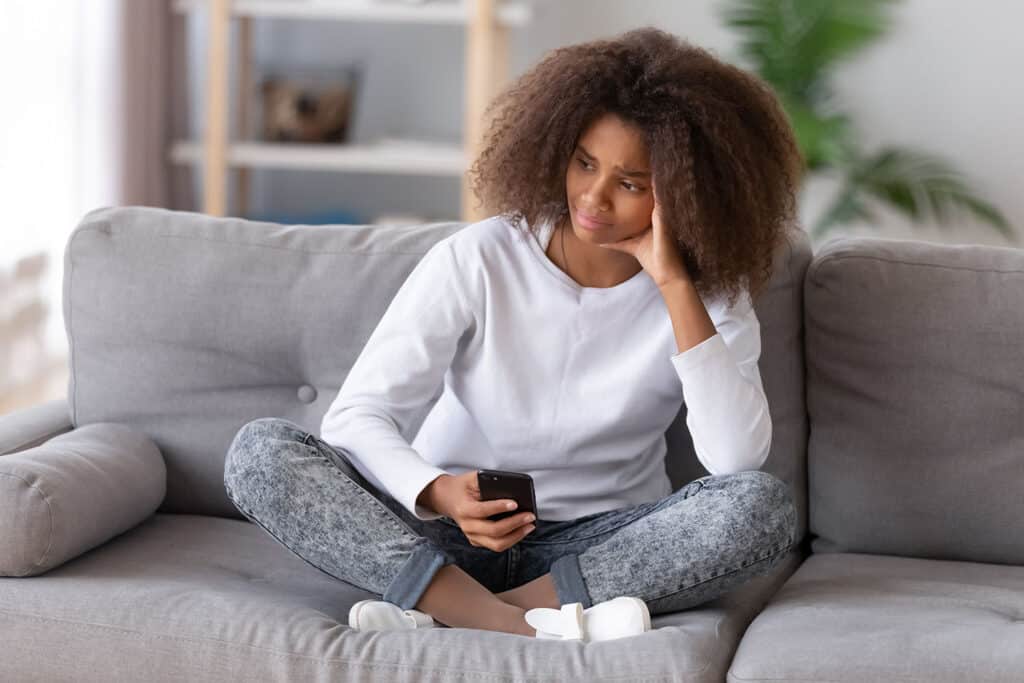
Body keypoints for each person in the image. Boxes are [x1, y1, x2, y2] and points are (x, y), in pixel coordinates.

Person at [223, 26, 802, 641]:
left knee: (762, 508)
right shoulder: (478, 257)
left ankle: (452, 611)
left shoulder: (709, 294)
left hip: (598, 547)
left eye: (631, 183)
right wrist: (440, 492)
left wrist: (675, 286)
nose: (593, 198)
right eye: (584, 163)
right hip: (446, 535)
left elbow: (736, 461)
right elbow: (358, 415)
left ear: (690, 195)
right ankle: (518, 623)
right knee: (261, 453)